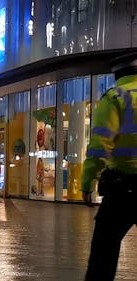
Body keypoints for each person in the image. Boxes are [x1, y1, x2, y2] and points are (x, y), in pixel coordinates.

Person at [81, 53, 137, 281]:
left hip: (122, 189)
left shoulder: (115, 97)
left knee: (103, 256)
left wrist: (87, 182)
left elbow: (99, 147)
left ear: (117, 74)